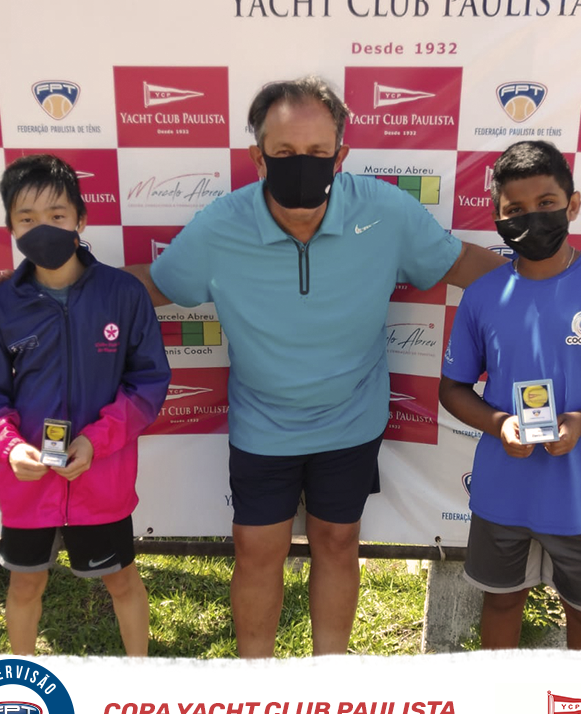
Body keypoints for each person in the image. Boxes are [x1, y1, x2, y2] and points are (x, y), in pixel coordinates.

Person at [125, 76, 505, 659]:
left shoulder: (383, 210)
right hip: (263, 424)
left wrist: (559, 285)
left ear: (340, 155)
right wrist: (52, 291)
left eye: (316, 152)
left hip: (352, 419)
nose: (301, 164)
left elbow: (461, 264)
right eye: (283, 152)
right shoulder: (221, 225)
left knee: (337, 542)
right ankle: (256, 687)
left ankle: (329, 680)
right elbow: (152, 287)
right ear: (257, 157)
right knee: (257, 552)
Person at [0, 154, 171, 656]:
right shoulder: (4, 303)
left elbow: (148, 384)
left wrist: (97, 441)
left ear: (81, 219)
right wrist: (10, 448)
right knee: (25, 585)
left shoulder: (123, 293)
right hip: (26, 483)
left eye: (56, 215)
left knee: (122, 580)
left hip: (102, 478)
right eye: (27, 219)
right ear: (11, 228)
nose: (43, 228)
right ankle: (21, 686)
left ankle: (141, 679)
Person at [439, 140, 581, 649]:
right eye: (515, 209)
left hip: (577, 498)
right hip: (503, 493)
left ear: (572, 205)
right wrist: (499, 424)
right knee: (500, 602)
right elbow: (453, 388)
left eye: (546, 203)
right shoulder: (483, 295)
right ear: (497, 218)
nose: (532, 218)